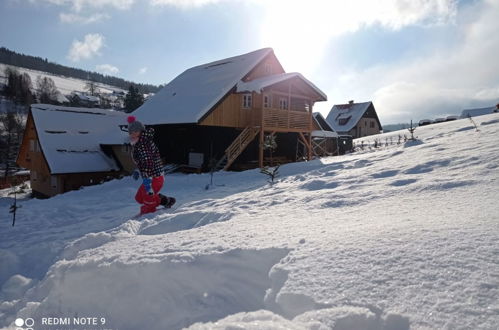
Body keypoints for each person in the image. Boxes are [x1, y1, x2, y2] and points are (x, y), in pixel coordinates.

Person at [127, 116, 174, 214]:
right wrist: (137, 170)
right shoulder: (139, 143)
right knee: (139, 198)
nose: (132, 134)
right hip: (150, 175)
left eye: (135, 132)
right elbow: (142, 161)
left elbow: (148, 162)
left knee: (148, 199)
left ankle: (149, 215)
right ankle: (164, 200)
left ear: (141, 131)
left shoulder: (143, 144)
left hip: (154, 177)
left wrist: (147, 180)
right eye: (130, 132)